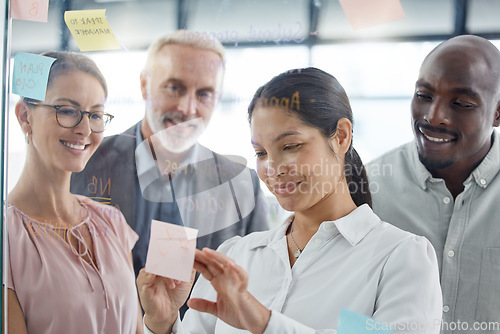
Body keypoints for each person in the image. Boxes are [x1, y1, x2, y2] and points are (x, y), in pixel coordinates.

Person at [137, 67, 443, 334]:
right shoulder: (236, 256)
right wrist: (161, 323)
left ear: (341, 136)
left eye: (291, 146)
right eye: (261, 153)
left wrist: (263, 323)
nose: (273, 168)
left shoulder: (400, 258)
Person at [70, 30, 269, 282]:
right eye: (175, 88)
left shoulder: (240, 185)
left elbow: (260, 284)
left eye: (204, 94)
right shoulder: (83, 163)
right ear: (144, 85)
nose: (187, 108)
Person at [366, 35, 500, 334]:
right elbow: (336, 304)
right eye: (424, 96)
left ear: (498, 112)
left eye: (461, 103)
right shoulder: (365, 189)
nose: (434, 116)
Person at [5, 51, 142, 333]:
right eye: (67, 110)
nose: (84, 129)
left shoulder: (112, 223)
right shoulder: (6, 238)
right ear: (24, 116)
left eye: (95, 115)